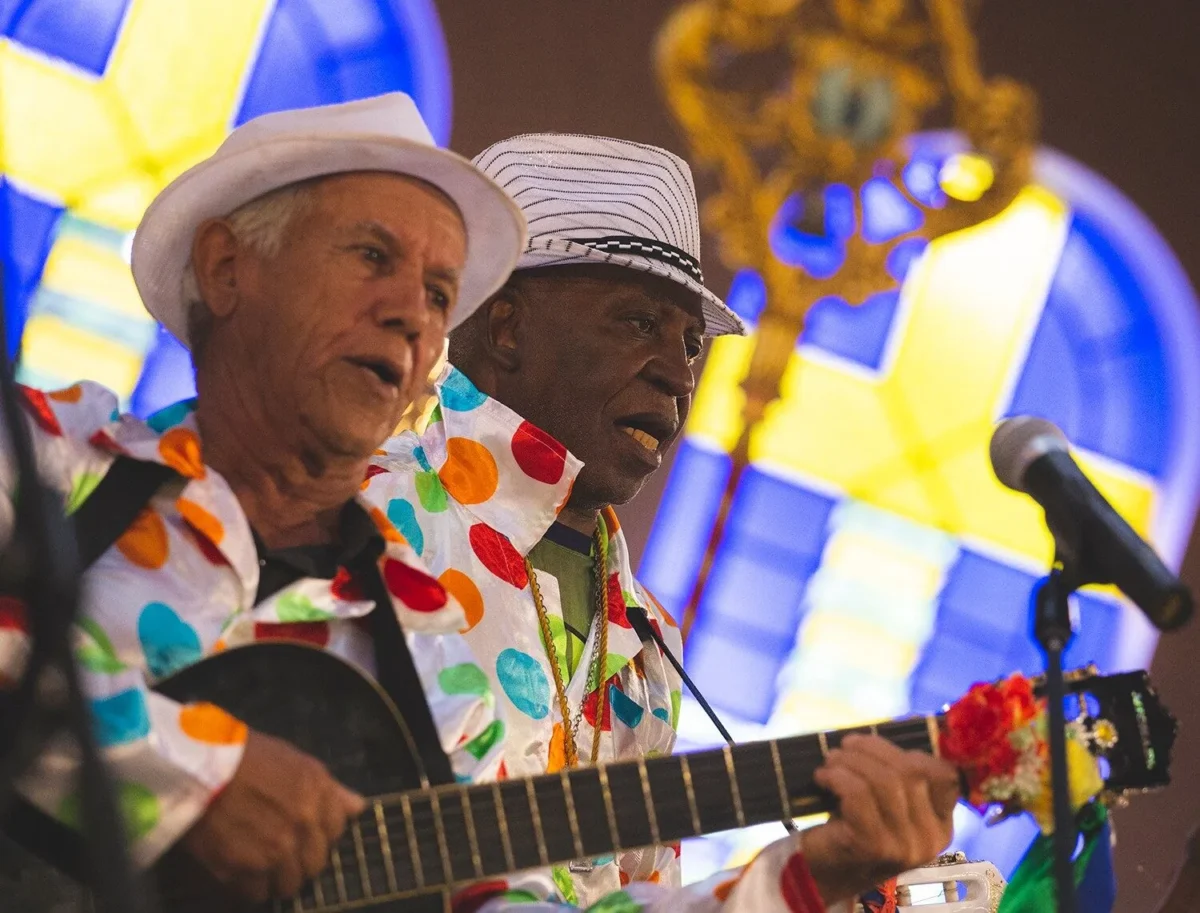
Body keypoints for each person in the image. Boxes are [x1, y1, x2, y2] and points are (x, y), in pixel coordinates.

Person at [364, 133, 959, 912]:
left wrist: (820, 885)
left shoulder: (648, 642)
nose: (680, 374)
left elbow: (631, 898)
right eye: (639, 323)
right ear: (506, 325)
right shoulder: (369, 516)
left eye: (689, 343)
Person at [0, 92, 525, 905]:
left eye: (439, 294)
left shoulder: (440, 674)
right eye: (372, 256)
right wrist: (191, 775)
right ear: (227, 268)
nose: (410, 316)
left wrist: (783, 886)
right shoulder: (47, 460)